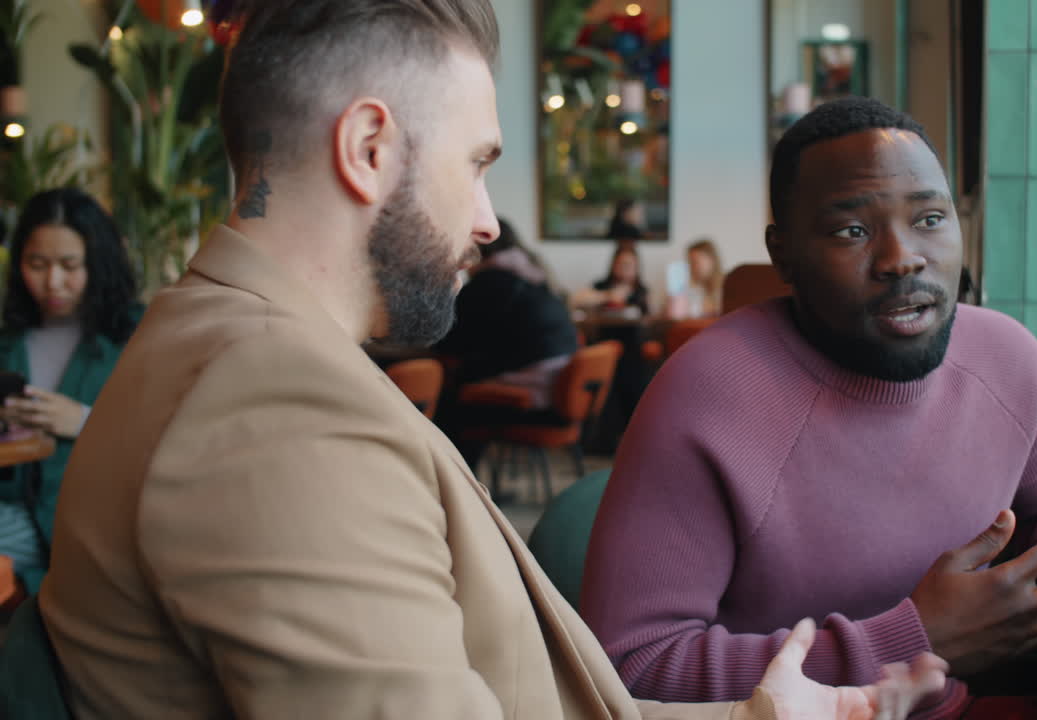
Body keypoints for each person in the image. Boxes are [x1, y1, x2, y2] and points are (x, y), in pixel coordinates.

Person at [37, 4, 947, 718]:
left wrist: (758, 716)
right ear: (368, 150)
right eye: (475, 165)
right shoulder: (276, 408)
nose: (485, 220)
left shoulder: (226, 345)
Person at [581, 97, 1037, 717]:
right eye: (852, 231)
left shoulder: (1005, 358)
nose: (901, 258)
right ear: (783, 253)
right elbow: (629, 666)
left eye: (929, 218)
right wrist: (911, 643)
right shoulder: (710, 393)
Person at [0, 188, 140, 601]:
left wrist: (83, 420)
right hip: (16, 510)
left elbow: (168, 437)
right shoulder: (11, 339)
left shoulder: (136, 335)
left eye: (69, 265)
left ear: (98, 263)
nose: (53, 282)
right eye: (37, 264)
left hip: (91, 517)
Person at [434, 217, 576, 404]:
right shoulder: (533, 272)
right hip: (561, 373)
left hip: (534, 382)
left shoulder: (489, 283)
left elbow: (447, 342)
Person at [573, 242, 650, 317]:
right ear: (613, 265)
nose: (624, 269)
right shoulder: (602, 285)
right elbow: (576, 300)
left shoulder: (641, 291)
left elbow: (650, 313)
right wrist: (607, 296)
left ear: (636, 267)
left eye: (628, 265)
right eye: (621, 264)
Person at [665, 237, 723, 320]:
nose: (692, 267)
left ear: (712, 260)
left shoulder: (725, 286)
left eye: (696, 262)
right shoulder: (687, 288)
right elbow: (674, 316)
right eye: (690, 263)